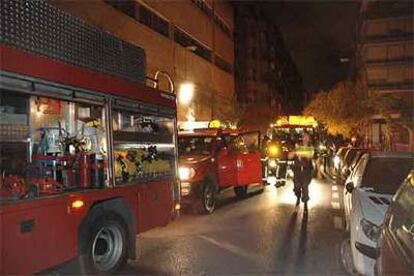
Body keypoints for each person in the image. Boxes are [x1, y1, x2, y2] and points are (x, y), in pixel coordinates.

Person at [290, 132, 314, 211]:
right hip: (297, 170)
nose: (305, 139)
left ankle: (305, 203)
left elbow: (310, 156)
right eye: (304, 137)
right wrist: (295, 152)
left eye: (307, 137)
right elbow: (289, 156)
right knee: (297, 186)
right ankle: (298, 197)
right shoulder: (298, 146)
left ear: (309, 139)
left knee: (305, 186)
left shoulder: (310, 147)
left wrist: (299, 152)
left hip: (306, 171)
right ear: (302, 138)